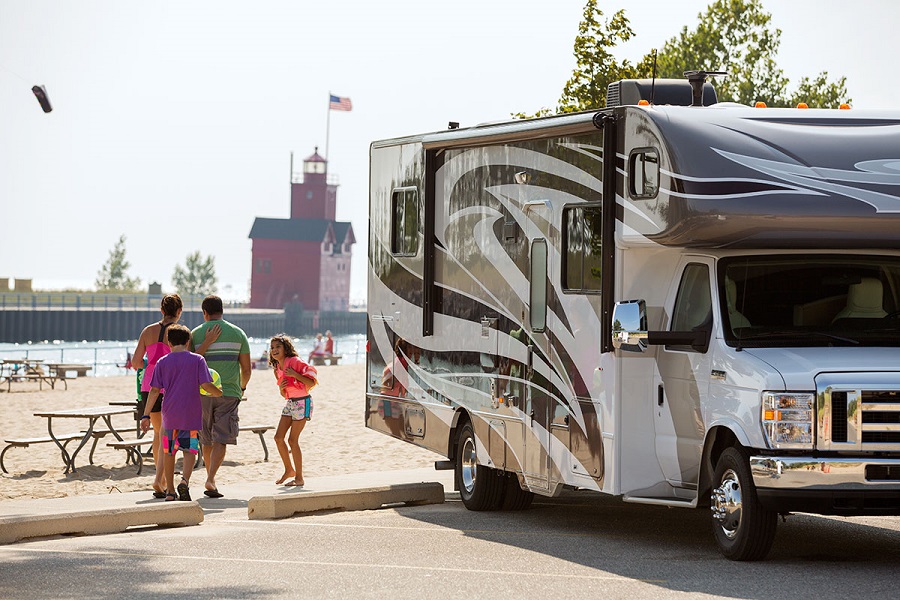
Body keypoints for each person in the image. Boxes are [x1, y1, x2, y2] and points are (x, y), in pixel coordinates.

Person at [140, 324, 222, 502]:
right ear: (188, 341)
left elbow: (154, 391)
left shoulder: (162, 362)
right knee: (190, 451)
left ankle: (170, 490)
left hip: (169, 415)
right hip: (191, 413)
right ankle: (184, 480)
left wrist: (146, 415)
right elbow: (206, 385)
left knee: (169, 452)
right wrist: (218, 392)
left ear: (169, 342)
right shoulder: (197, 360)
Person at [191, 295, 251, 499]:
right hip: (229, 392)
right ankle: (211, 478)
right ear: (222, 310)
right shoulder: (238, 333)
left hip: (202, 392)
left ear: (205, 313)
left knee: (206, 438)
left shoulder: (196, 334)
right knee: (222, 438)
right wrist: (241, 388)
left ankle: (211, 479)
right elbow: (246, 368)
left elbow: (191, 362)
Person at [131, 293, 183, 499]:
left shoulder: (148, 331)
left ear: (161, 310)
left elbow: (135, 362)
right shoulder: (179, 332)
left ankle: (160, 478)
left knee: (158, 433)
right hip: (170, 384)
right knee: (168, 434)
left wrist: (149, 364)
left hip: (149, 384)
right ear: (179, 312)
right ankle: (159, 479)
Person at [269, 333, 317, 487]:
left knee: (292, 440)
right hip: (290, 403)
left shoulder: (294, 361)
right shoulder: (277, 368)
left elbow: (311, 380)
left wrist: (295, 374)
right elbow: (284, 393)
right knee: (278, 438)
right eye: (272, 348)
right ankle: (289, 470)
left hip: (303, 402)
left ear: (286, 348)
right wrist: (281, 390)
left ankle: (300, 477)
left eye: (278, 347)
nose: (274, 350)